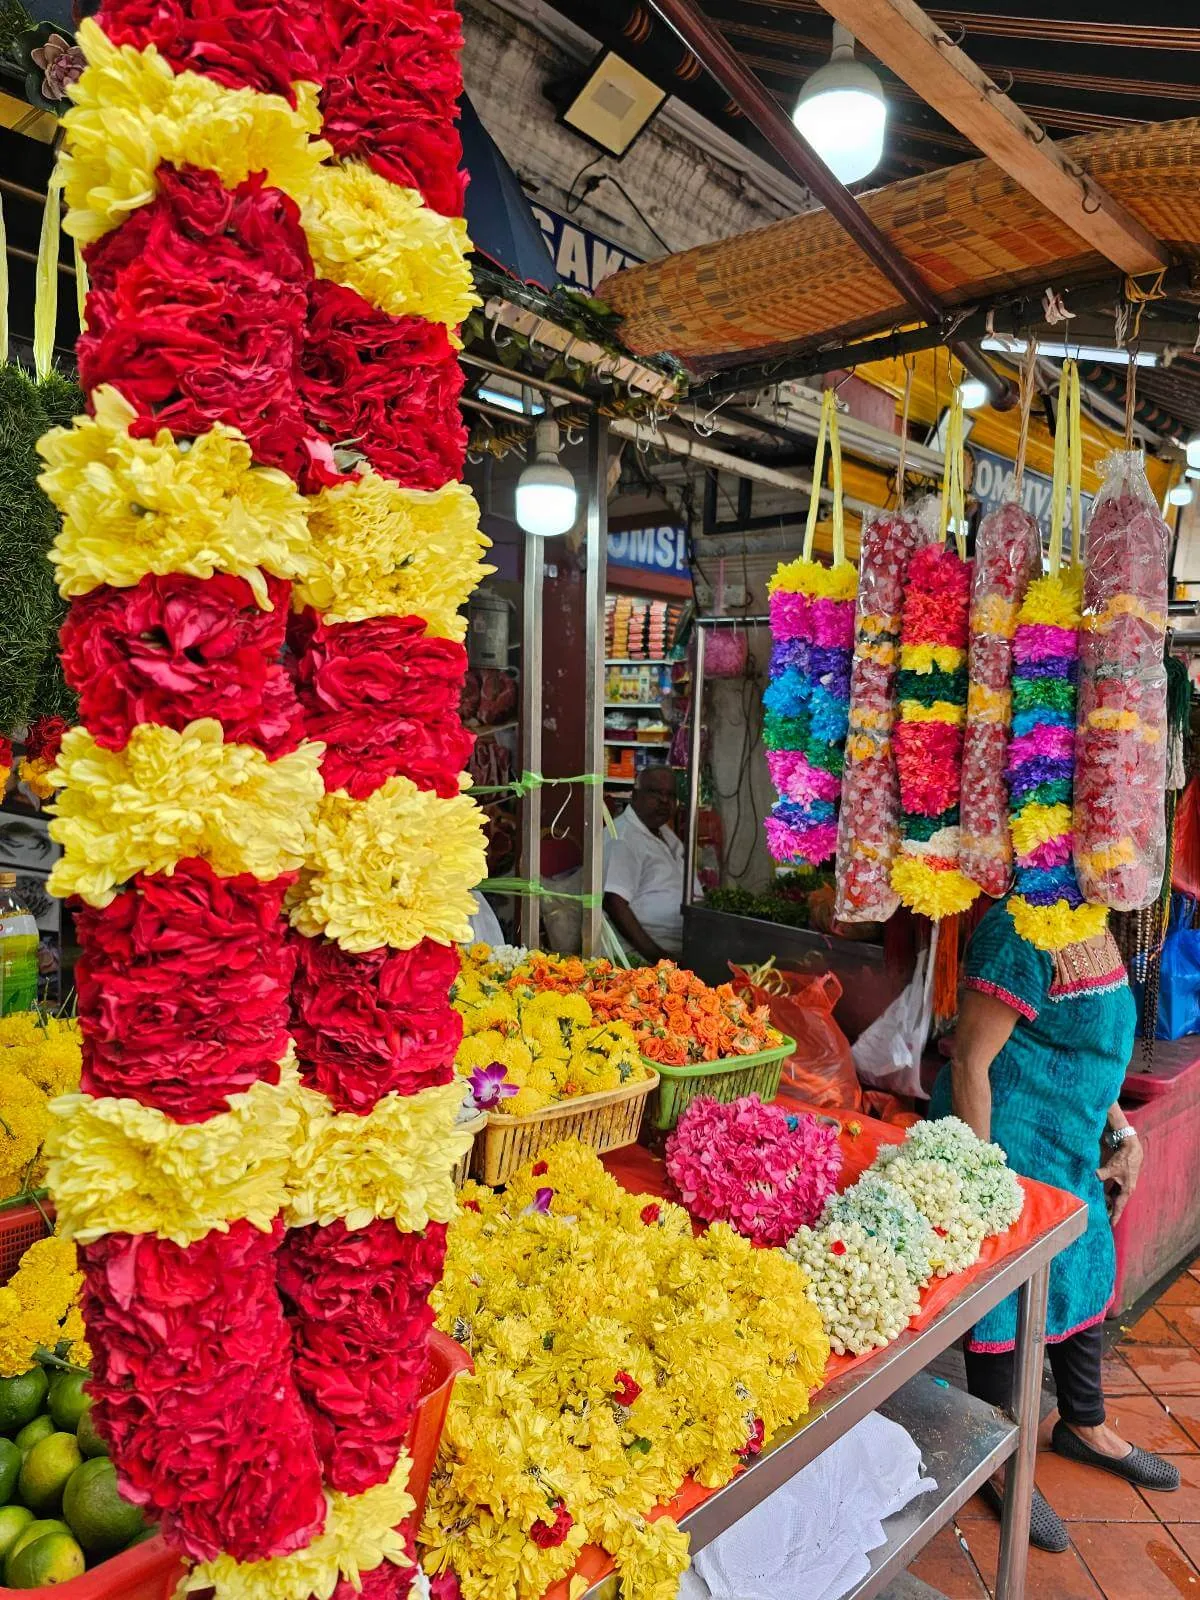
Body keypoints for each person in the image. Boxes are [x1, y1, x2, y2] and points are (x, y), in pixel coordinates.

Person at [933, 901, 1179, 1553]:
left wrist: (1123, 1130)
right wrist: (982, 1184)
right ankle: (1000, 1458)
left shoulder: (1091, 919)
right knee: (1005, 1301)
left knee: (1088, 1267)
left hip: (1072, 1143)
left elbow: (1090, 1050)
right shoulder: (1014, 929)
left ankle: (1083, 1424)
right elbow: (970, 1066)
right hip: (1009, 1141)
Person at [603, 765, 691, 961]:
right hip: (642, 958)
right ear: (634, 795)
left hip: (683, 947)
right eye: (655, 792)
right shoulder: (623, 837)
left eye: (670, 795)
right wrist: (661, 959)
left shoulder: (663, 832)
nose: (664, 801)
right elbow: (613, 903)